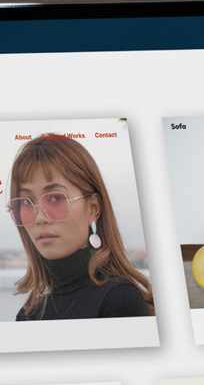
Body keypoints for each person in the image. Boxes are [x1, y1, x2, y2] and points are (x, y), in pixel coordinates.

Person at [9, 137, 155, 320]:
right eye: (26, 201)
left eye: (56, 198)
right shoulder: (27, 315)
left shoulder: (119, 298)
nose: (39, 218)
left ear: (93, 208)